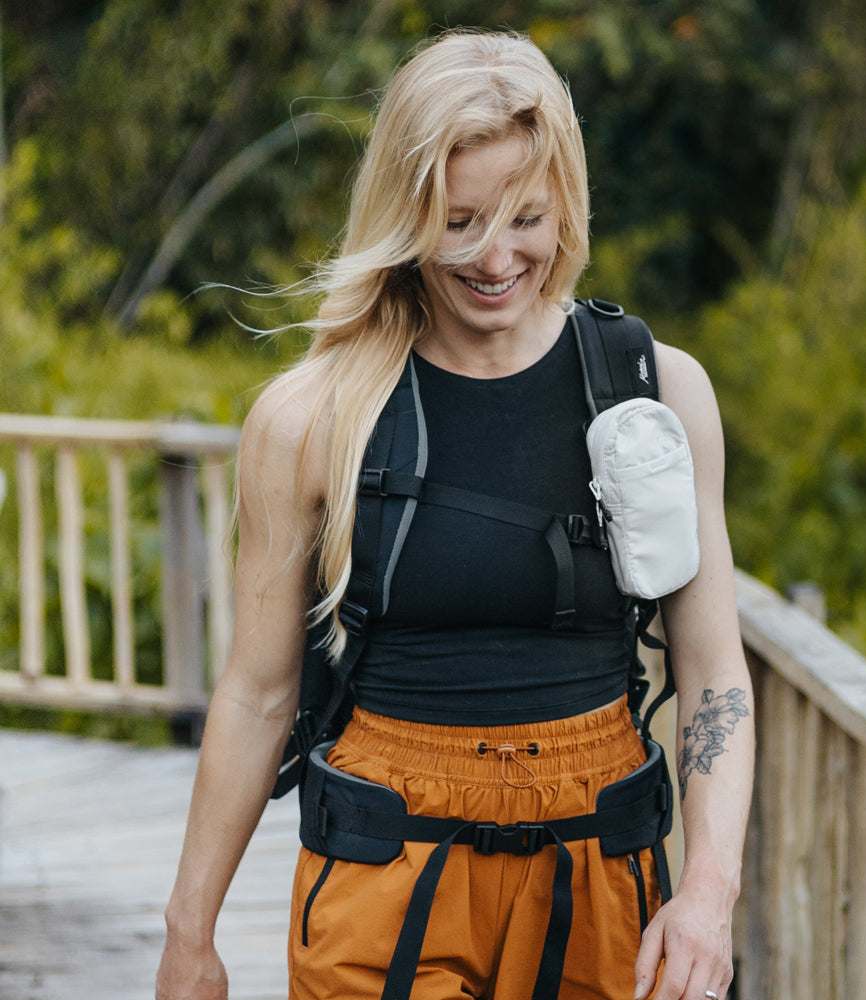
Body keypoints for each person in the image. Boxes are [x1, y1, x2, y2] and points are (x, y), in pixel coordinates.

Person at [155, 28, 753, 1000]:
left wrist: (708, 896)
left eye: (527, 217)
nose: (495, 256)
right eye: (459, 220)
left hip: (601, 864)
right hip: (385, 866)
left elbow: (712, 671)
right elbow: (257, 693)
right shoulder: (309, 421)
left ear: (569, 207)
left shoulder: (655, 394)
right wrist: (191, 933)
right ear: (401, 213)